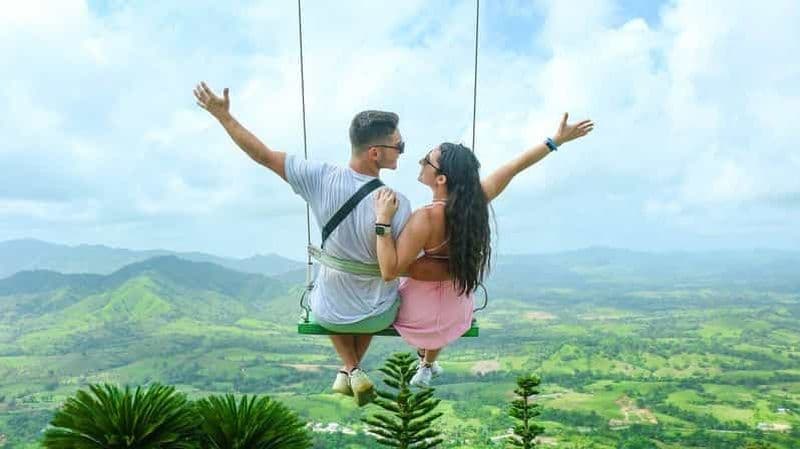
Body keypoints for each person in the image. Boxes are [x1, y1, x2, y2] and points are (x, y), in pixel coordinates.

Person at [193, 82, 412, 405]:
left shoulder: (319, 176)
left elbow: (263, 156)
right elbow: (396, 266)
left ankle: (350, 370)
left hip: (330, 314)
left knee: (329, 296)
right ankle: (351, 369)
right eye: (399, 145)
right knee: (376, 295)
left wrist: (224, 117)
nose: (402, 149)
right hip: (379, 315)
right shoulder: (398, 202)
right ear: (375, 153)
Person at [374, 113, 594, 386]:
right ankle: (427, 364)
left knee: (406, 293)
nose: (420, 162)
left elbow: (389, 270)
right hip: (457, 313)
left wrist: (382, 221)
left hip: (417, 318)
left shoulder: (425, 218)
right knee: (442, 303)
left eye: (426, 160)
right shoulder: (473, 203)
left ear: (441, 179)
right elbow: (514, 167)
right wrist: (555, 141)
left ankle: (423, 363)